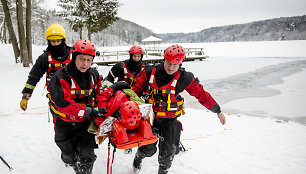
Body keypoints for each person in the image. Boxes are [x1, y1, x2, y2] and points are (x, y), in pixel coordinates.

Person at [131, 44, 226, 174]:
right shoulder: (149, 71)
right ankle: (138, 159)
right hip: (150, 118)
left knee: (168, 153)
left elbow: (201, 95)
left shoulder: (185, 78)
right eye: (168, 63)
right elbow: (134, 90)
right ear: (164, 59)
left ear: (181, 63)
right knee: (148, 149)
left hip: (169, 120)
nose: (171, 67)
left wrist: (218, 110)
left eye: (175, 64)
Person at [48, 39, 108, 174]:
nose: (85, 64)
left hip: (85, 125)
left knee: (88, 157)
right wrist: (90, 111)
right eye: (81, 59)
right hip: (64, 124)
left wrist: (105, 108)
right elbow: (64, 104)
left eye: (89, 60)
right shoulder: (60, 77)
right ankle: (72, 162)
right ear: (74, 57)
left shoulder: (95, 76)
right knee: (68, 157)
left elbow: (99, 96)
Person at [20, 23, 72, 111]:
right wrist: (25, 96)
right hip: (55, 98)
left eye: (58, 41)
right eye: (53, 41)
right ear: (49, 41)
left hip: (75, 97)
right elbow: (33, 77)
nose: (56, 44)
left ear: (63, 40)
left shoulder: (73, 55)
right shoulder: (44, 58)